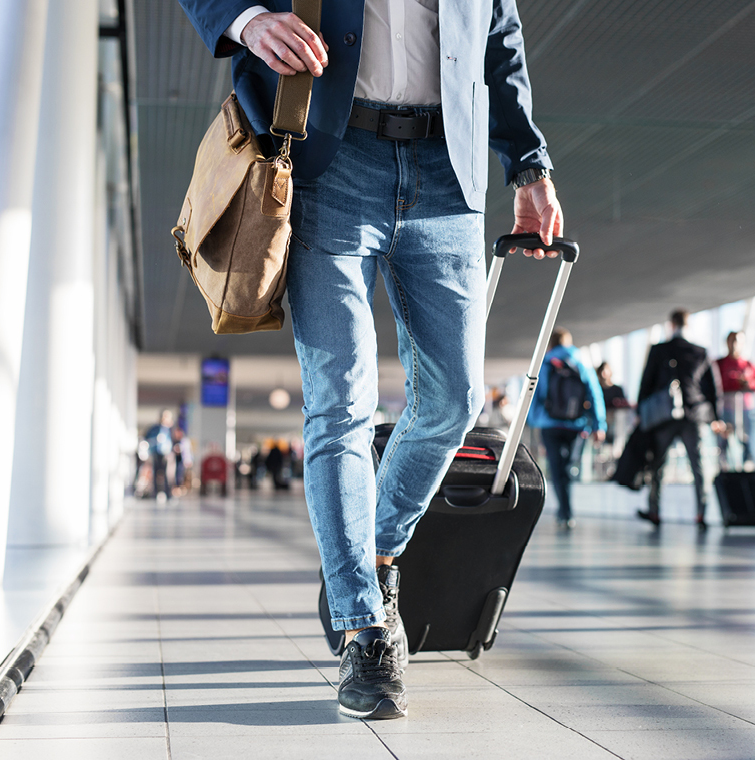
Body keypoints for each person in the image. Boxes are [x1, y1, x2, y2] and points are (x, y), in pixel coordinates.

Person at [180, 0, 562, 719]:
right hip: (332, 163)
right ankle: (365, 629)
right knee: (341, 404)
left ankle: (374, 555)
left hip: (449, 176)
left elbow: (498, 38)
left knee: (454, 399)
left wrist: (530, 164)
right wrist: (248, 20)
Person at [635, 309, 724, 529]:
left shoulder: (659, 350)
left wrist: (641, 414)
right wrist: (716, 417)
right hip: (694, 416)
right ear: (688, 324)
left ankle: (654, 511)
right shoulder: (700, 351)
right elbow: (713, 390)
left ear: (671, 325)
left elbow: (646, 383)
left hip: (663, 417)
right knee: (698, 465)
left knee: (658, 466)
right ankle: (701, 513)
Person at [527, 328, 606, 530]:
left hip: (550, 425)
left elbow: (535, 395)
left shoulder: (544, 364)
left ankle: (564, 511)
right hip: (577, 426)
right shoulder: (581, 363)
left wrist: (534, 421)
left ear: (551, 344)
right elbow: (594, 394)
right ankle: (567, 509)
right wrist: (599, 425)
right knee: (568, 467)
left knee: (556, 467)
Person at [713, 331, 755, 469]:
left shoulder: (748, 365)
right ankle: (724, 469)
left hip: (745, 409)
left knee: (747, 440)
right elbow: (714, 385)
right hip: (725, 409)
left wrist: (748, 384)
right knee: (723, 441)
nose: (735, 344)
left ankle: (748, 466)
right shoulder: (719, 364)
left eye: (738, 341)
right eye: (732, 340)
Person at [145, 410, 175, 502]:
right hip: (156, 452)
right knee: (155, 473)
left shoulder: (171, 429)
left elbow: (175, 440)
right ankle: (154, 493)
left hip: (167, 454)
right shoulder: (155, 428)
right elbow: (147, 438)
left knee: (167, 474)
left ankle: (168, 493)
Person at [172, 428, 195, 496]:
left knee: (184, 475)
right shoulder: (174, 441)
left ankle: (184, 488)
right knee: (177, 475)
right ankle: (177, 488)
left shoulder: (185, 441)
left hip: (184, 461)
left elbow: (188, 452)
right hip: (176, 461)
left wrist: (189, 460)